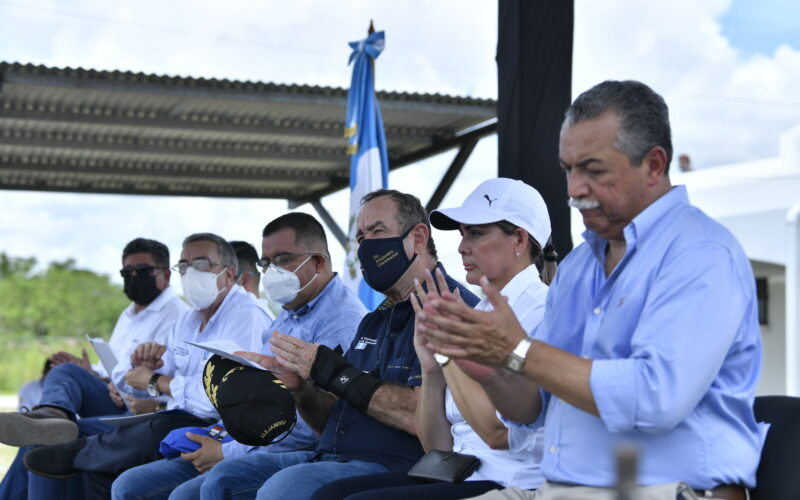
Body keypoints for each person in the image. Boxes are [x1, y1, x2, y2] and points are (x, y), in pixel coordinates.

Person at [418, 80, 766, 500]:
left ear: (654, 165)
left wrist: (519, 351)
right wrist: (493, 370)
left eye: (594, 170)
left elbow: (653, 396)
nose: (574, 190)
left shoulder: (701, 254)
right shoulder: (578, 267)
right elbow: (531, 411)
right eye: (569, 170)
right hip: (557, 489)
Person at [198, 189, 478, 500]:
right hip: (330, 454)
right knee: (222, 480)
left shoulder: (453, 309)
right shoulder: (375, 319)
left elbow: (421, 414)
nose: (367, 245)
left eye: (377, 231)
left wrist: (333, 372)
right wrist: (301, 389)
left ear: (419, 237)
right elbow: (327, 423)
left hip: (394, 465)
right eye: (361, 237)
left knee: (282, 490)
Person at [312, 178, 558, 500]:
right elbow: (437, 448)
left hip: (510, 481)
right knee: (326, 495)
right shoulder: (475, 312)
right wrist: (432, 368)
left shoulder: (543, 314)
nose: (461, 247)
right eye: (462, 234)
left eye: (477, 233)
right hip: (459, 473)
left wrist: (449, 354)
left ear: (520, 240)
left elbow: (500, 434)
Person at [111, 213, 367, 500]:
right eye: (266, 263)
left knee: (200, 489)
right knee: (128, 486)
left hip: (301, 447)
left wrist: (226, 449)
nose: (271, 272)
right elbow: (260, 393)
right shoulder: (289, 314)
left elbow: (314, 425)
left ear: (318, 262)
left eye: (283, 260)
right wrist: (220, 434)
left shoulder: (341, 321)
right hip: (245, 435)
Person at [22, 233, 268, 498]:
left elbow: (222, 397)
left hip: (219, 428)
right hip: (169, 415)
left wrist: (156, 381)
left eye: (201, 264)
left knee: (159, 429)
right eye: (184, 266)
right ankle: (67, 441)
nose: (190, 274)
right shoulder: (190, 320)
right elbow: (144, 384)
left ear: (229, 274)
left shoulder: (246, 316)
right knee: (62, 446)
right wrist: (145, 367)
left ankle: (79, 453)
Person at [0, 237, 188, 500]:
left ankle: (49, 428)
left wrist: (145, 394)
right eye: (127, 272)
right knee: (65, 373)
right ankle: (51, 414)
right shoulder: (128, 314)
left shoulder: (179, 316)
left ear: (166, 274)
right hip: (111, 397)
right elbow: (112, 369)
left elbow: (177, 382)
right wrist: (91, 372)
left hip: (140, 410)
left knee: (44, 441)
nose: (133, 277)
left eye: (142, 271)